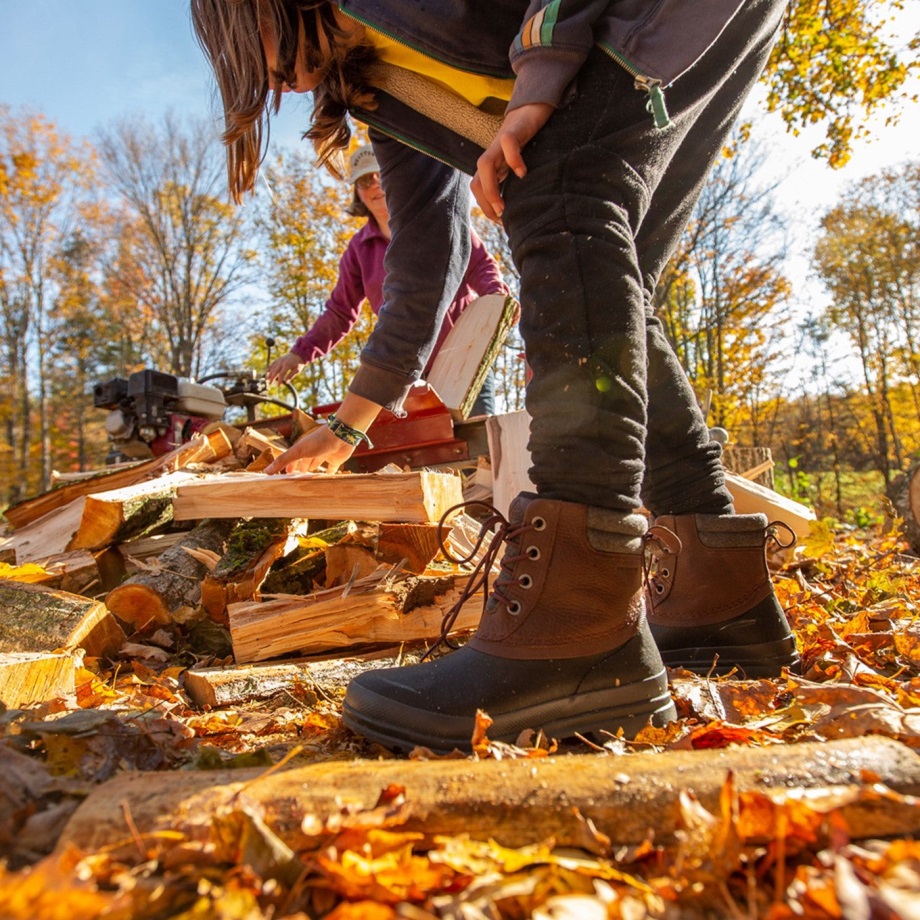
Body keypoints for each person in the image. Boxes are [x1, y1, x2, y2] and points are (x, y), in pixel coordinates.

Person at [192, 0, 800, 754]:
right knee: (606, 268)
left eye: (258, 60)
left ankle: (577, 624)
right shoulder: (376, 80)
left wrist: (541, 79)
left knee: (560, 194)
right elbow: (426, 258)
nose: (275, 88)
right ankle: (721, 600)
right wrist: (352, 421)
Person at [266, 144, 510, 417]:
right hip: (410, 372)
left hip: (466, 354)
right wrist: (301, 352)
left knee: (480, 440)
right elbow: (339, 311)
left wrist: (496, 303)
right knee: (430, 450)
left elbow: (482, 267)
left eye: (381, 172)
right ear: (357, 192)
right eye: (364, 180)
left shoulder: (437, 220)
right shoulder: (359, 250)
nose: (375, 184)